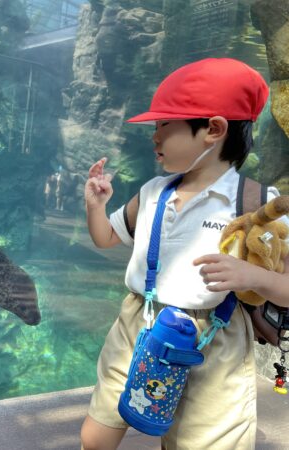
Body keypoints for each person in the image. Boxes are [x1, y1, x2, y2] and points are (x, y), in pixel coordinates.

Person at [80, 58, 289, 450]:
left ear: (213, 129)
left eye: (165, 125)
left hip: (215, 337)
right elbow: (107, 237)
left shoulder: (257, 203)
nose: (154, 136)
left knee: (203, 438)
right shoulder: (152, 192)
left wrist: (253, 277)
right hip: (138, 322)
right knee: (97, 433)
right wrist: (96, 206)